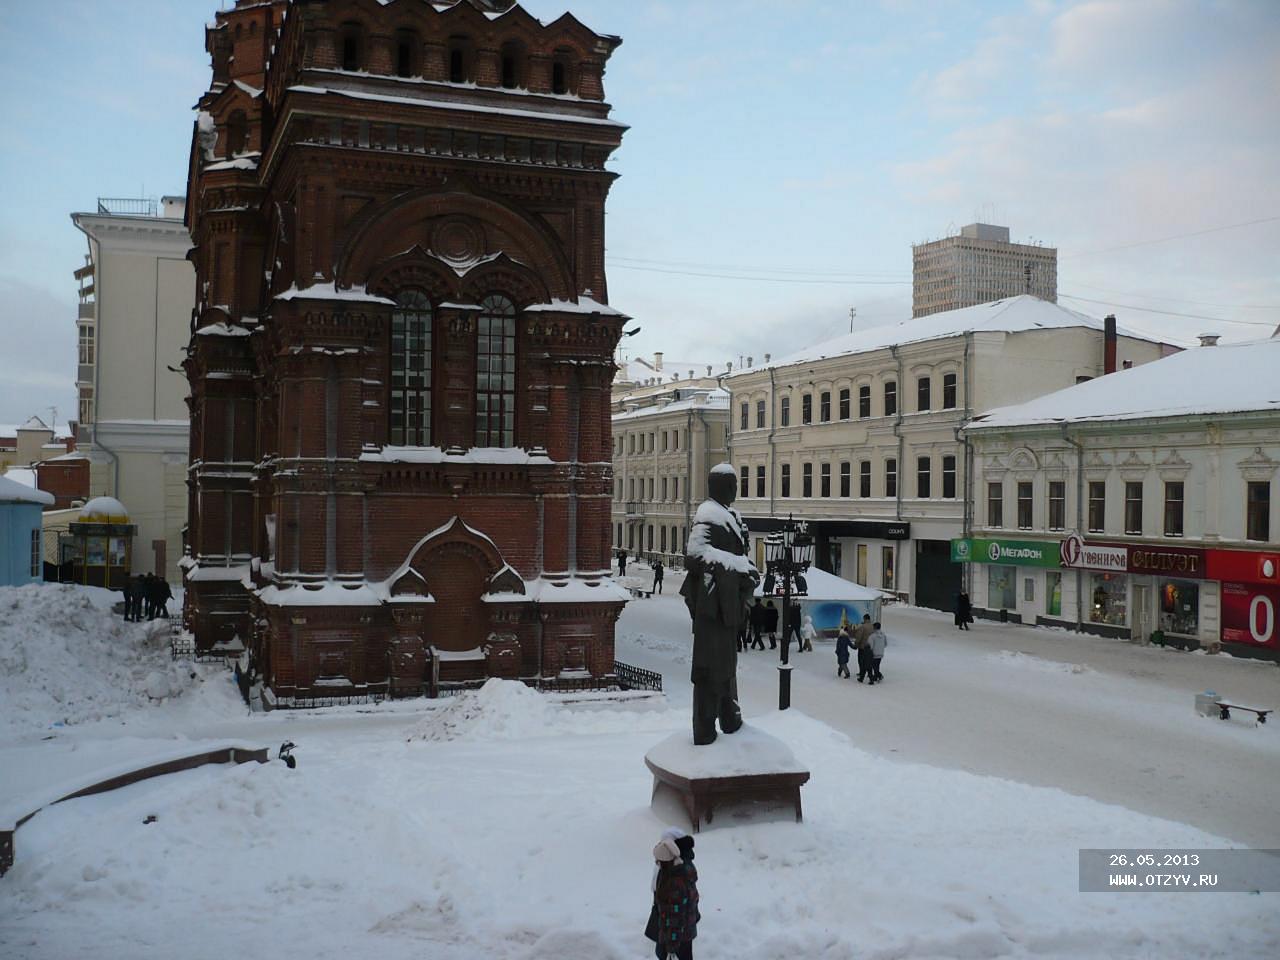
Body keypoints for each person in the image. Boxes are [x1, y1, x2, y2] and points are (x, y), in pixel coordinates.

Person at [680, 464, 759, 745]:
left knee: (726, 664)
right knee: (709, 667)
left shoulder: (731, 516)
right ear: (720, 487)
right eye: (732, 485)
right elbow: (694, 555)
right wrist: (738, 565)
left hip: (727, 606)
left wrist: (745, 564)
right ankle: (705, 725)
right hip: (711, 606)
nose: (736, 490)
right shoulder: (708, 515)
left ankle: (728, 713)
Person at [646, 829, 699, 960]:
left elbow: (676, 917)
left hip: (677, 934)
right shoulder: (681, 869)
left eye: (659, 861)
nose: (656, 863)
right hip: (681, 930)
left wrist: (672, 948)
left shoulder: (674, 883)